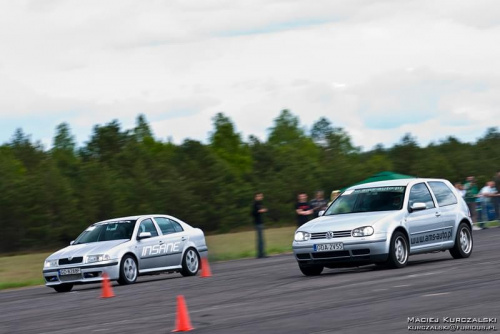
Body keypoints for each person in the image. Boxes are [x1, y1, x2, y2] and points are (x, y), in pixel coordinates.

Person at [251, 192, 267, 258]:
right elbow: (253, 213)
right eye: (259, 196)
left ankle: (262, 253)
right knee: (260, 239)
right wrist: (261, 210)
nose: (260, 197)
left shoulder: (259, 203)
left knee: (261, 239)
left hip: (260, 222)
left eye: (261, 196)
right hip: (258, 223)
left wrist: (262, 210)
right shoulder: (255, 204)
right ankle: (260, 254)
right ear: (256, 197)